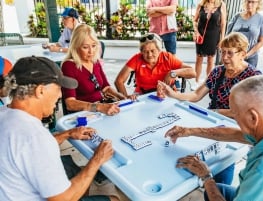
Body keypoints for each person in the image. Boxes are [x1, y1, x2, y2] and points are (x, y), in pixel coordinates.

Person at [0, 56, 119, 201]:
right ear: (40, 91)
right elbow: (63, 199)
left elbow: (26, 151)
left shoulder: (5, 114)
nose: (60, 95)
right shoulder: (35, 137)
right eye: (58, 88)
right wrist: (97, 160)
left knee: (76, 171)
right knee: (116, 198)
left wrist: (68, 133)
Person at [170, 75, 263, 201]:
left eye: (235, 113)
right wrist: (189, 131)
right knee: (220, 189)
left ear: (253, 118)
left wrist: (206, 177)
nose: (234, 118)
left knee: (212, 187)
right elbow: (234, 134)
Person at [157, 32, 261, 185]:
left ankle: (219, 189)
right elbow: (196, 94)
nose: (224, 57)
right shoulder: (218, 71)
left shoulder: (253, 77)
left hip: (236, 128)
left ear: (243, 54)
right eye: (222, 52)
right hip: (212, 120)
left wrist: (217, 112)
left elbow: (250, 113)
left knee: (224, 162)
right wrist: (173, 94)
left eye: (229, 53)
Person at [61, 24, 125, 115]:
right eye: (85, 47)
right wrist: (98, 107)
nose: (91, 51)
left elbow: (105, 87)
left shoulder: (95, 61)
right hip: (82, 115)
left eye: (94, 45)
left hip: (101, 110)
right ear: (75, 47)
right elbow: (70, 103)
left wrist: (122, 97)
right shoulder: (69, 66)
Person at [114, 33, 196, 99]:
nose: (149, 55)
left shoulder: (167, 57)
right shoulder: (137, 58)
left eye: (153, 51)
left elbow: (193, 72)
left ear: (159, 50)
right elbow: (119, 81)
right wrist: (125, 98)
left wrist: (173, 73)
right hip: (142, 94)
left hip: (167, 93)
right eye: (145, 51)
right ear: (141, 52)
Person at [191, 0, 227, 90]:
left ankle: (208, 82)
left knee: (211, 60)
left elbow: (223, 23)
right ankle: (196, 81)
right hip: (201, 35)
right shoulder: (201, 4)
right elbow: (194, 20)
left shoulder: (221, 5)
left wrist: (222, 38)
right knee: (198, 58)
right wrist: (196, 32)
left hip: (213, 35)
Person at [226, 0, 263, 67]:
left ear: (258, 4)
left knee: (248, 77)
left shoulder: (262, 19)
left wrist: (246, 55)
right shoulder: (237, 16)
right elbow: (228, 37)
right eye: (248, 1)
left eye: (253, 2)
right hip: (233, 56)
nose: (250, 4)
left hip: (250, 58)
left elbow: (262, 41)